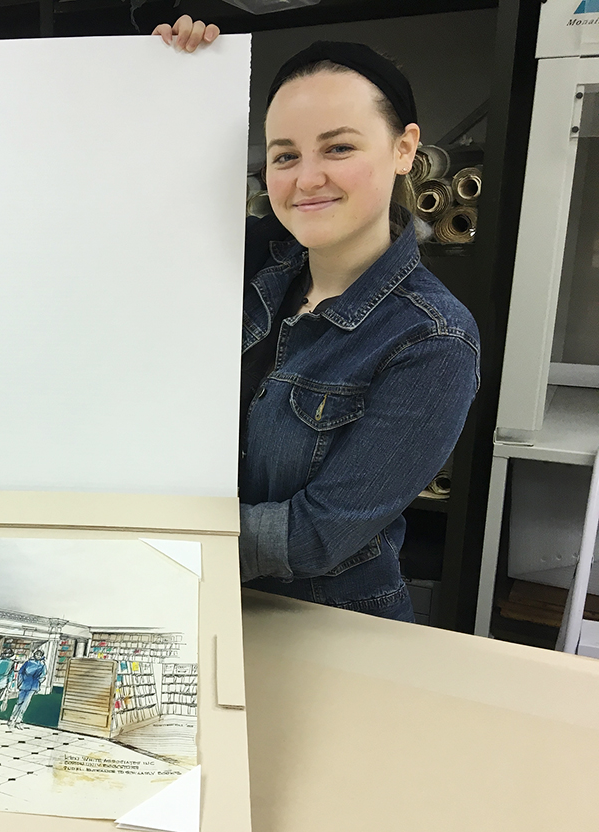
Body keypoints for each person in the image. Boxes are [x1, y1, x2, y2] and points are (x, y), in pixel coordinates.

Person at [152, 18, 480, 621]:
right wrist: (171, 77)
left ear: (405, 149)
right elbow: (146, 208)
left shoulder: (433, 341)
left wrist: (141, 540)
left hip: (322, 620)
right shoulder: (249, 265)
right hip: (197, 596)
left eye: (339, 147)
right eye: (285, 155)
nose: (307, 179)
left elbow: (315, 534)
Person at [7, 649, 47, 729]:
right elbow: (20, 672)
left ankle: (18, 720)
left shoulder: (42, 665)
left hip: (33, 686)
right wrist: (19, 682)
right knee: (19, 702)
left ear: (41, 656)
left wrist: (38, 682)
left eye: (40, 655)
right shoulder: (28, 662)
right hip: (24, 684)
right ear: (34, 654)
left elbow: (43, 675)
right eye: (37, 654)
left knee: (25, 703)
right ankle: (12, 718)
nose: (38, 656)